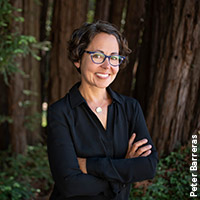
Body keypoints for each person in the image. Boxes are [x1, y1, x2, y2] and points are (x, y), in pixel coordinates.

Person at [47, 21, 158, 200]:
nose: (107, 66)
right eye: (98, 56)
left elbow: (148, 166)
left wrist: (89, 165)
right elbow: (69, 184)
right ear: (77, 59)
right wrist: (124, 170)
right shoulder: (60, 112)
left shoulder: (130, 108)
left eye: (114, 57)